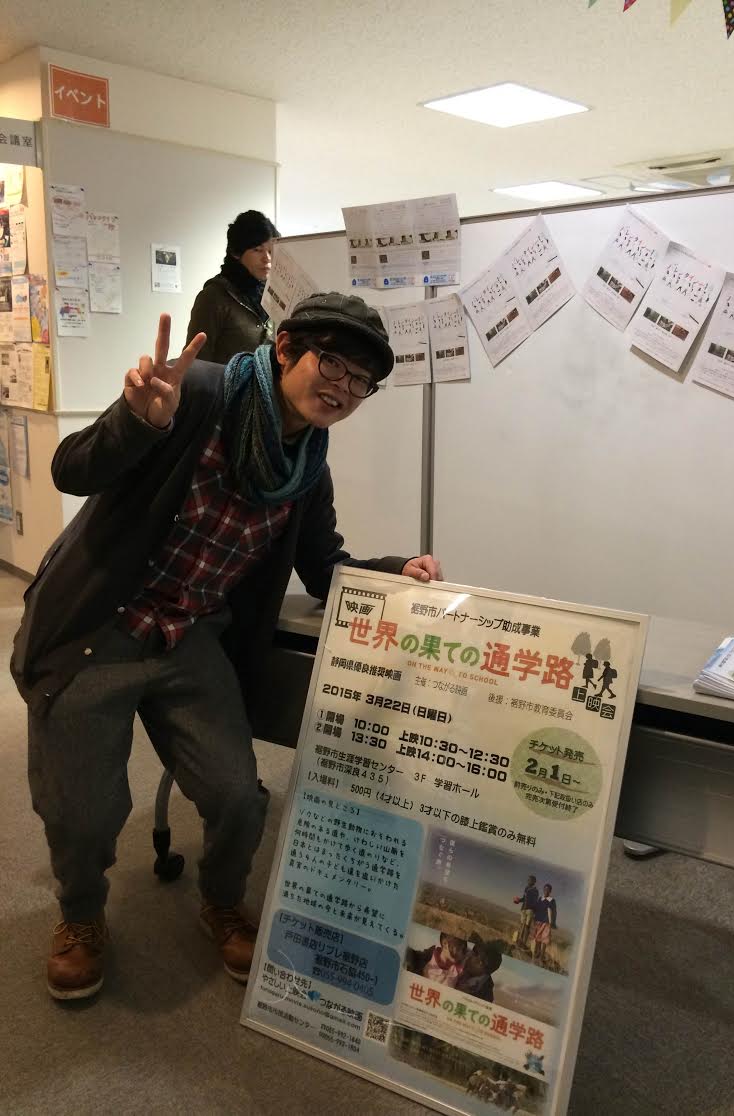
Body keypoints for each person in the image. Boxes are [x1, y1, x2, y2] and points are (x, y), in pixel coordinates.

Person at [11, 291, 442, 1001]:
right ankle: (81, 916)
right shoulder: (198, 395)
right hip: (97, 629)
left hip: (188, 635)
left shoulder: (306, 468)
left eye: (362, 380)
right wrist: (135, 423)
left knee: (238, 795)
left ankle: (221, 900)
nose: (343, 386)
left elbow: (323, 565)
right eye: (332, 362)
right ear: (286, 349)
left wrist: (395, 570)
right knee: (82, 810)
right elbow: (71, 470)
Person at [185, 209, 279, 364]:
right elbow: (196, 363)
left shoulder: (274, 294)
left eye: (270, 251)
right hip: (221, 380)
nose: (267, 258)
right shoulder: (213, 297)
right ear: (236, 252)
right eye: (257, 250)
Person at [455, 937, 502, 1003]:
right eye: (474, 951)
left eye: (476, 953)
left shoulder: (485, 995)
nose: (470, 955)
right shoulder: (457, 957)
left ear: (481, 963)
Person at [530, 882, 557, 962]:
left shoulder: (552, 900)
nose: (546, 891)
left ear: (550, 891)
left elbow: (554, 912)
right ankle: (538, 953)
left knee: (544, 939)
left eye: (548, 890)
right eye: (545, 889)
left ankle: (541, 956)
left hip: (546, 922)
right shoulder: (540, 898)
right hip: (538, 920)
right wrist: (533, 916)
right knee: (538, 938)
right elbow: (536, 908)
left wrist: (553, 922)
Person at [512, 874, 539, 947]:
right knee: (522, 925)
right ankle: (519, 940)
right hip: (523, 909)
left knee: (527, 926)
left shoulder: (535, 890)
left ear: (534, 881)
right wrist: (518, 900)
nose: (528, 881)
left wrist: (534, 912)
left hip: (530, 910)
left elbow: (535, 902)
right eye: (528, 880)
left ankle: (524, 942)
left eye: (529, 880)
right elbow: (524, 898)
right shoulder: (526, 888)